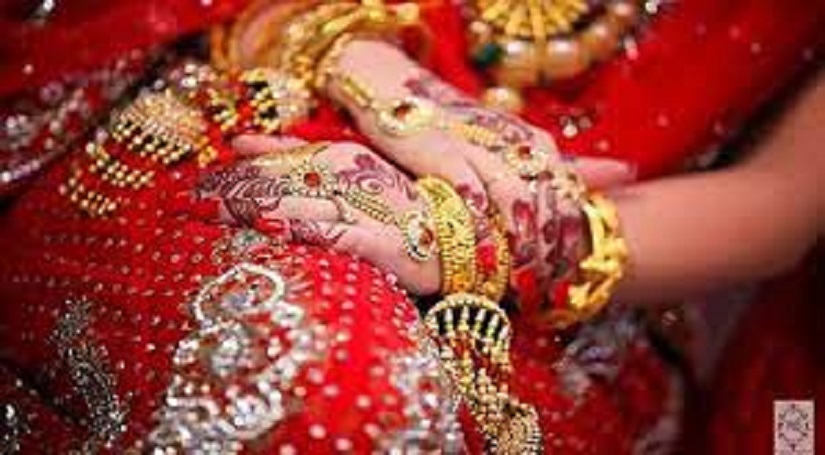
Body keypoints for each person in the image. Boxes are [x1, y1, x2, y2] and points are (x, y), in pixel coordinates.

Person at [0, 1, 820, 453]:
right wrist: (388, 85)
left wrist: (491, 240)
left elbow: (784, 198)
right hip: (285, 92)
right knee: (320, 383)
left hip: (586, 268)